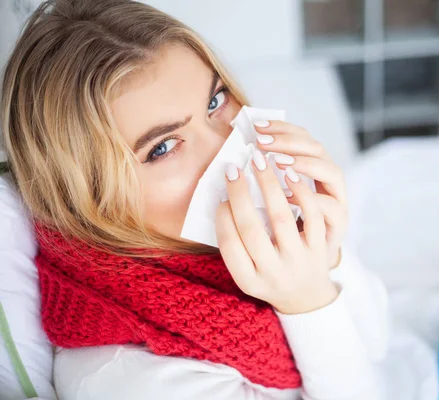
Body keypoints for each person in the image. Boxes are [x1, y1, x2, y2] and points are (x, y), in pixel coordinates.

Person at [0, 0, 390, 399]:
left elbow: (378, 345)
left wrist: (327, 257)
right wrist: (307, 302)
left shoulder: (226, 240)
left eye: (215, 102)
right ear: (87, 206)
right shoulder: (131, 381)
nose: (228, 147)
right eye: (163, 147)